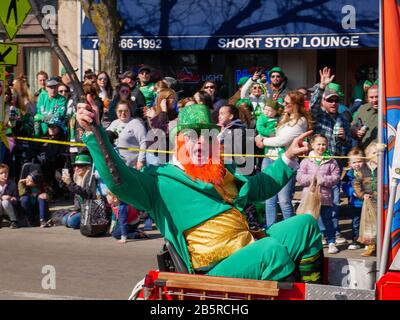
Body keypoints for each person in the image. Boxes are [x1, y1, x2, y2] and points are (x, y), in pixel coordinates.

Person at [77, 101, 324, 283]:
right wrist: (95, 132)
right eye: (191, 137)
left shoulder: (218, 173)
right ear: (179, 142)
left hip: (247, 244)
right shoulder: (160, 181)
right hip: (213, 269)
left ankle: (312, 293)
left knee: (305, 226)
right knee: (270, 252)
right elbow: (120, 181)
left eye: (206, 137)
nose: (199, 144)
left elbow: (259, 187)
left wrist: (289, 155)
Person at [256, 91, 313, 229]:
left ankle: (291, 230)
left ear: (296, 105)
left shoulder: (300, 121)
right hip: (270, 157)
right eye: (284, 101)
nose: (284, 104)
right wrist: (261, 135)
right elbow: (272, 130)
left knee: (284, 200)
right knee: (269, 198)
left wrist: (263, 141)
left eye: (287, 103)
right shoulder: (284, 117)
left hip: (286, 161)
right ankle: (270, 228)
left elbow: (282, 140)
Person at [297, 134, 341, 254]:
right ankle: (313, 242)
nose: (321, 147)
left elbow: (336, 177)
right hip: (309, 197)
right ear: (312, 145)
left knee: (328, 219)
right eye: (318, 144)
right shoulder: (306, 161)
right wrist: (312, 178)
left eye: (323, 144)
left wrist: (323, 179)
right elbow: (299, 177)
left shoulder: (332, 161)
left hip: (325, 197)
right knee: (311, 221)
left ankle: (332, 241)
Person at [353, 142, 378, 257]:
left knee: (381, 223)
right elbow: (356, 183)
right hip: (368, 202)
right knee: (370, 225)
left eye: (379, 153)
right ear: (367, 156)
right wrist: (362, 195)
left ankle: (382, 245)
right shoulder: (363, 170)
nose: (377, 155)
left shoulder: (383, 169)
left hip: (381, 201)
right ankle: (371, 246)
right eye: (374, 153)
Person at [107, 101, 147, 170]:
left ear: (130, 111)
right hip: (115, 165)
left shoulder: (136, 123)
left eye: (126, 111)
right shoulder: (114, 123)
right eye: (120, 111)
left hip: (131, 166)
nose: (123, 113)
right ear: (116, 112)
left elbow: (144, 142)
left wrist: (140, 161)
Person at [60, 154, 96, 229]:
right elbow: (76, 198)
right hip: (81, 209)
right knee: (64, 219)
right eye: (75, 166)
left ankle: (87, 223)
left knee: (70, 222)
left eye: (80, 166)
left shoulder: (91, 178)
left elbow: (88, 194)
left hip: (90, 210)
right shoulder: (77, 177)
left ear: (88, 167)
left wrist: (70, 184)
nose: (76, 168)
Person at [341, 147, 366, 250]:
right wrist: (352, 192)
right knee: (355, 222)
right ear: (350, 163)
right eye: (354, 162)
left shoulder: (368, 172)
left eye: (359, 161)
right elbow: (344, 185)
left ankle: (368, 242)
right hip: (354, 203)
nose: (357, 164)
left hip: (366, 203)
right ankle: (355, 241)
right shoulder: (348, 174)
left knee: (367, 223)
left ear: (364, 161)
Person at [350, 85, 378, 149]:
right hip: (365, 151)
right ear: (367, 98)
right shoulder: (363, 109)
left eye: (377, 97)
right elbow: (353, 126)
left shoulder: (389, 110)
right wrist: (355, 130)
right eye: (371, 97)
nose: (375, 100)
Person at [0, 164, 19, 229]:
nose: (4, 175)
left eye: (5, 173)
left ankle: (14, 221)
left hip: (9, 209)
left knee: (5, 202)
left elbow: (17, 199)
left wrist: (11, 198)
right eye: (1, 173)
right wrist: (1, 197)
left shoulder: (12, 184)